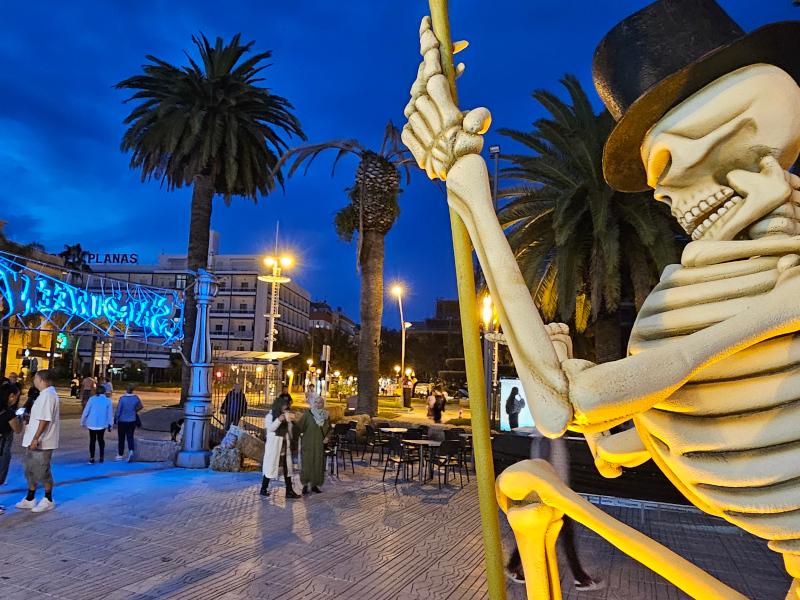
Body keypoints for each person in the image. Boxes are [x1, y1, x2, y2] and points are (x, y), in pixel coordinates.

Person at [505, 430, 604, 591]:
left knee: (560, 537)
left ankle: (513, 565)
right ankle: (579, 578)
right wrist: (554, 497)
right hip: (553, 498)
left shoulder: (552, 439)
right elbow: (543, 471)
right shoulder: (546, 439)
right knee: (566, 537)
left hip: (557, 497)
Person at [15, 370, 60, 513]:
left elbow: (45, 419)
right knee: (30, 470)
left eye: (35, 378)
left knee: (42, 470)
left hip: (42, 441)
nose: (33, 380)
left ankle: (48, 499)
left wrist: (36, 438)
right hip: (33, 439)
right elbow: (40, 417)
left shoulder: (48, 395)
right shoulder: (43, 395)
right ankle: (30, 498)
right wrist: (29, 418)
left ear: (41, 379)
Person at [260, 393, 300, 499]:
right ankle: (263, 488)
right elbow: (270, 428)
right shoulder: (270, 416)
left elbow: (290, 430)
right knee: (271, 466)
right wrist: (279, 420)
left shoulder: (285, 415)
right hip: (274, 446)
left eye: (285, 406)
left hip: (285, 445)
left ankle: (289, 491)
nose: (284, 408)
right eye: (283, 406)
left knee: (288, 468)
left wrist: (292, 422)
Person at [296, 385, 331, 494]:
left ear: (323, 404)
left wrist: (327, 437)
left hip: (319, 445)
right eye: (316, 402)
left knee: (317, 464)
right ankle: (305, 485)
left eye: (320, 402)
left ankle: (315, 485)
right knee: (307, 464)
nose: (318, 404)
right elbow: (299, 427)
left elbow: (329, 429)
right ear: (313, 403)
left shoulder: (326, 416)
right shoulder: (308, 414)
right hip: (308, 444)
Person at [81, 387, 113, 464]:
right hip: (102, 424)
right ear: (104, 392)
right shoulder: (108, 400)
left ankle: (92, 458)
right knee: (101, 439)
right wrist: (110, 424)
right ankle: (101, 457)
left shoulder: (92, 399)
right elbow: (110, 414)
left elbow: (86, 411)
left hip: (91, 423)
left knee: (92, 440)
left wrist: (82, 421)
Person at [0, 383, 22, 485]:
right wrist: (20, 418)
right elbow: (18, 429)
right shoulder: (9, 413)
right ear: (11, 396)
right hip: (3, 446)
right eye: (17, 396)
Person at [115, 385, 143, 460]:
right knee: (130, 436)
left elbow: (118, 410)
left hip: (122, 421)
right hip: (132, 420)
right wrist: (134, 410)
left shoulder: (122, 398)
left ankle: (120, 455)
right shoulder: (136, 398)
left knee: (121, 438)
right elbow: (141, 406)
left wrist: (116, 418)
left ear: (126, 390)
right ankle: (131, 451)